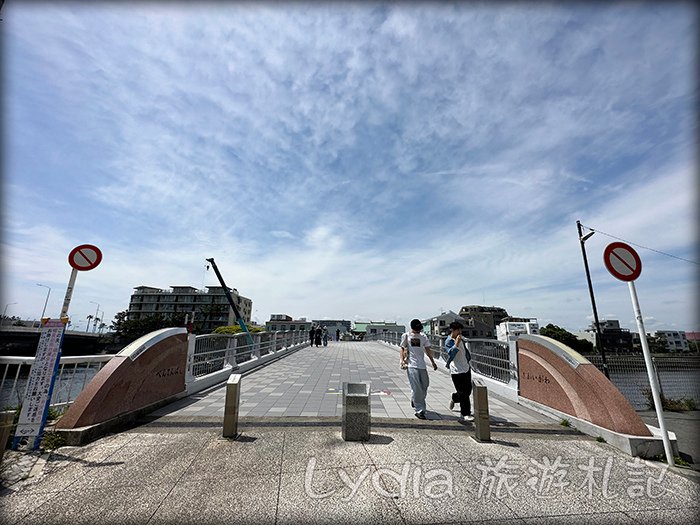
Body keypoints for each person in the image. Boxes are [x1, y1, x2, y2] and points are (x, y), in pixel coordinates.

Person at [400, 318, 438, 419]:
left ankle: (415, 399)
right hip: (412, 365)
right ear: (412, 328)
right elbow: (402, 348)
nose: (418, 331)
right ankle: (419, 410)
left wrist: (433, 362)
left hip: (422, 365)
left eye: (419, 329)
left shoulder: (423, 337)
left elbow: (428, 350)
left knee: (425, 385)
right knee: (417, 388)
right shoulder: (406, 336)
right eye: (416, 330)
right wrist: (402, 360)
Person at [445, 321, 474, 422]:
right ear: (453, 330)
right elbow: (451, 354)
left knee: (468, 390)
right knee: (463, 393)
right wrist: (456, 343)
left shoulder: (461, 338)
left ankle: (454, 397)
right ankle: (465, 413)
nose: (460, 332)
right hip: (456, 370)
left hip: (465, 367)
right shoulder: (449, 341)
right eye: (458, 330)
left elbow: (465, 352)